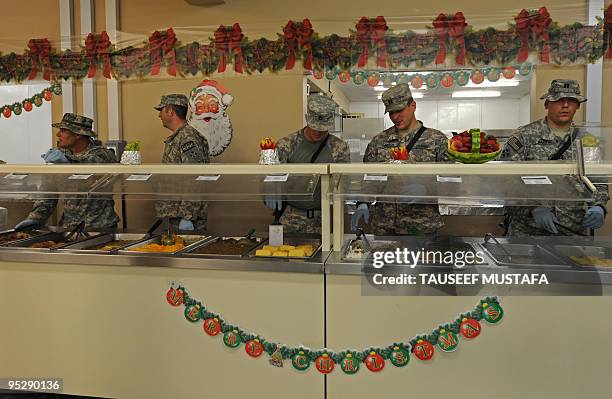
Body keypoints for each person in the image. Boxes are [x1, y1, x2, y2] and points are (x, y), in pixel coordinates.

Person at [499, 79, 608, 236]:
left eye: (571, 101)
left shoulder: (588, 141)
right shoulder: (523, 137)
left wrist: (599, 206)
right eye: (558, 100)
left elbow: (598, 180)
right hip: (528, 231)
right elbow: (506, 181)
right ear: (547, 104)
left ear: (577, 105)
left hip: (573, 231)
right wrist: (532, 208)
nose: (565, 105)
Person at [352, 83, 448, 235]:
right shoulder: (379, 141)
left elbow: (451, 182)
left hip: (421, 227)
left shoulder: (437, 140)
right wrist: (363, 202)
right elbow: (369, 179)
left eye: (399, 110)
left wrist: (427, 190)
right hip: (384, 226)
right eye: (391, 112)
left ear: (413, 106)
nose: (395, 117)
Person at [15, 113, 119, 232]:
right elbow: (48, 195)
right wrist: (35, 219)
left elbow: (87, 168)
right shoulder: (59, 157)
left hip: (100, 228)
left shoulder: (102, 155)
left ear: (78, 134)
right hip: (69, 227)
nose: (58, 134)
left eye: (63, 130)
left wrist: (66, 164)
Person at [266, 94, 350, 234]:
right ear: (307, 118)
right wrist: (269, 189)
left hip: (326, 217)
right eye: (314, 127)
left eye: (322, 129)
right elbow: (272, 176)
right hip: (291, 217)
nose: (318, 132)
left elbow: (343, 183)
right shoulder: (287, 144)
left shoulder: (339, 147)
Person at [154, 94, 210, 232]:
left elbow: (195, 178)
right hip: (175, 214)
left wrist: (187, 216)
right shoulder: (179, 137)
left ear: (170, 111)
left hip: (184, 216)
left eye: (161, 110)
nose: (159, 115)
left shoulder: (187, 138)